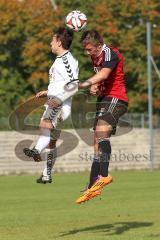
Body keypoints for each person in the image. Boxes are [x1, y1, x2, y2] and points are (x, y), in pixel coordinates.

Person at [76, 29, 128, 204]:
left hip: (116, 98)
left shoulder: (110, 53)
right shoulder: (95, 56)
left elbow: (105, 74)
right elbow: (101, 79)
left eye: (89, 49)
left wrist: (85, 83)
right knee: (97, 142)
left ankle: (104, 176)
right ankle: (92, 186)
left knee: (101, 132)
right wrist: (94, 86)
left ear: (98, 45)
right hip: (104, 99)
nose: (87, 52)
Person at [23, 27, 79, 184]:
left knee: (45, 124)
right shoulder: (60, 60)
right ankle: (46, 174)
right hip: (54, 101)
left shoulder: (67, 60)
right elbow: (61, 84)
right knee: (52, 141)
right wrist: (47, 92)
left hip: (59, 103)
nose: (50, 43)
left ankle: (36, 150)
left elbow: (74, 85)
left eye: (52, 40)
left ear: (59, 42)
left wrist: (59, 101)